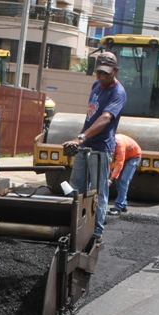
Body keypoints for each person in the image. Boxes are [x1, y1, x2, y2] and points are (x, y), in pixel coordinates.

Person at [62, 51, 126, 242]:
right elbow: (90, 116)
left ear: (115, 71)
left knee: (98, 192)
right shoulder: (96, 85)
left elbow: (105, 118)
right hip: (86, 146)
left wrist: (81, 137)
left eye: (106, 73)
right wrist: (81, 139)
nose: (102, 77)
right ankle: (75, 226)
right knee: (76, 189)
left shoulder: (118, 92)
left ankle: (96, 233)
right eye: (99, 72)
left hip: (101, 149)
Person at [108, 133, 141, 216]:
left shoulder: (120, 146)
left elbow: (119, 164)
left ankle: (118, 207)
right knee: (118, 181)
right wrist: (109, 173)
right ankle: (123, 205)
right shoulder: (109, 144)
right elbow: (109, 161)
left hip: (134, 156)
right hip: (126, 155)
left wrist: (110, 180)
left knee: (123, 180)